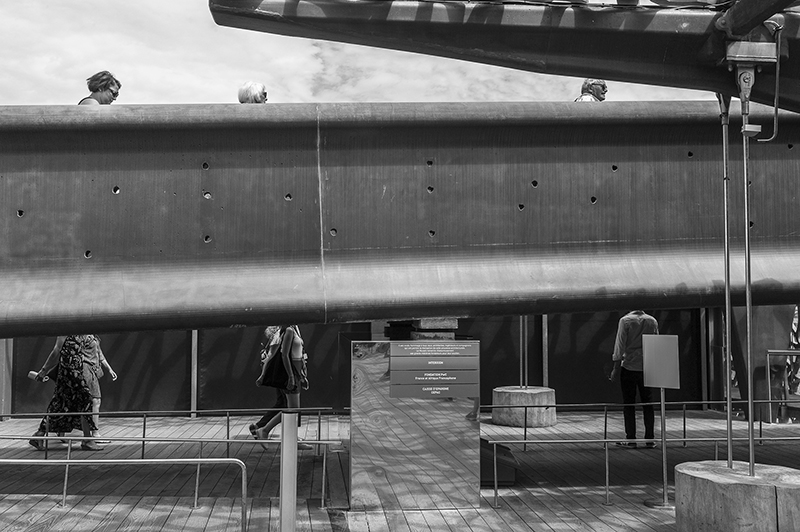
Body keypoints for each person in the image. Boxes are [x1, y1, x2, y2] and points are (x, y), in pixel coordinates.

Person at [29, 335, 109, 451]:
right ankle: (87, 440)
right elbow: (56, 351)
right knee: (84, 401)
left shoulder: (81, 331)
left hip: (76, 370)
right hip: (71, 373)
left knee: (61, 404)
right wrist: (43, 371)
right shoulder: (65, 331)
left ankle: (39, 435)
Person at [254, 325, 310, 449]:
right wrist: (291, 376)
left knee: (292, 409)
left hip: (296, 373)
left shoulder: (294, 329)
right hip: (291, 374)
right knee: (292, 409)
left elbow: (299, 355)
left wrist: (302, 375)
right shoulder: (288, 330)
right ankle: (265, 430)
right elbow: (284, 355)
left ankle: (291, 439)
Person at [609, 310, 659, 448]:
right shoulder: (652, 321)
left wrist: (615, 368)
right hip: (647, 367)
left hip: (629, 367)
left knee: (629, 404)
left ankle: (631, 439)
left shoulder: (625, 321)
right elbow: (656, 344)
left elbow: (620, 345)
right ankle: (650, 439)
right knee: (648, 404)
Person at [250, 326, 297, 437]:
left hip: (282, 374)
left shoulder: (286, 332)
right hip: (283, 375)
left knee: (281, 404)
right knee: (288, 407)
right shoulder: (282, 334)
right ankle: (264, 429)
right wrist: (263, 375)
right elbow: (272, 356)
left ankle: (260, 426)